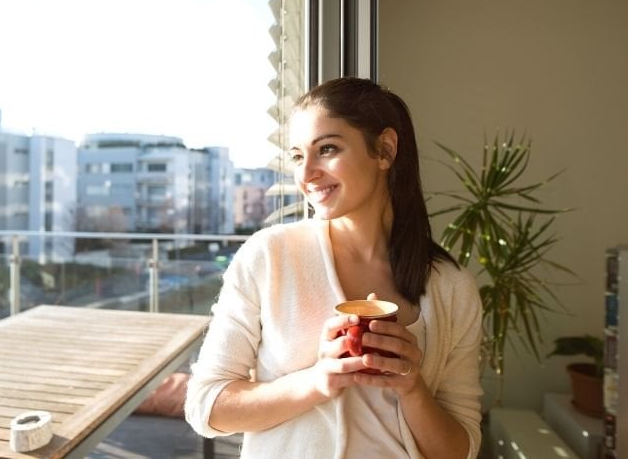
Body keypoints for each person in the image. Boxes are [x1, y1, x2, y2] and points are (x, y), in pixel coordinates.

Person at [185, 77, 483, 458]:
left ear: (385, 150)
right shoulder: (270, 256)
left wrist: (413, 387)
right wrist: (317, 381)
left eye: (326, 149)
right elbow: (206, 406)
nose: (306, 174)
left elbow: (461, 450)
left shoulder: (451, 287)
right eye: (296, 156)